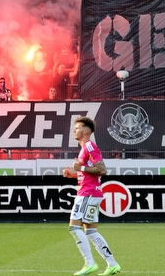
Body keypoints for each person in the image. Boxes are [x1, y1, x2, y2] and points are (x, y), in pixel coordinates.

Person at [62, 117, 121, 276]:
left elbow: (102, 170)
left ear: (86, 131)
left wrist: (80, 167)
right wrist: (74, 174)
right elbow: (89, 172)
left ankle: (89, 263)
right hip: (91, 192)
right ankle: (112, 264)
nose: (74, 130)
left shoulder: (89, 146)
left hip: (87, 194)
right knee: (91, 231)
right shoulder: (84, 148)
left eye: (77, 128)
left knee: (74, 227)